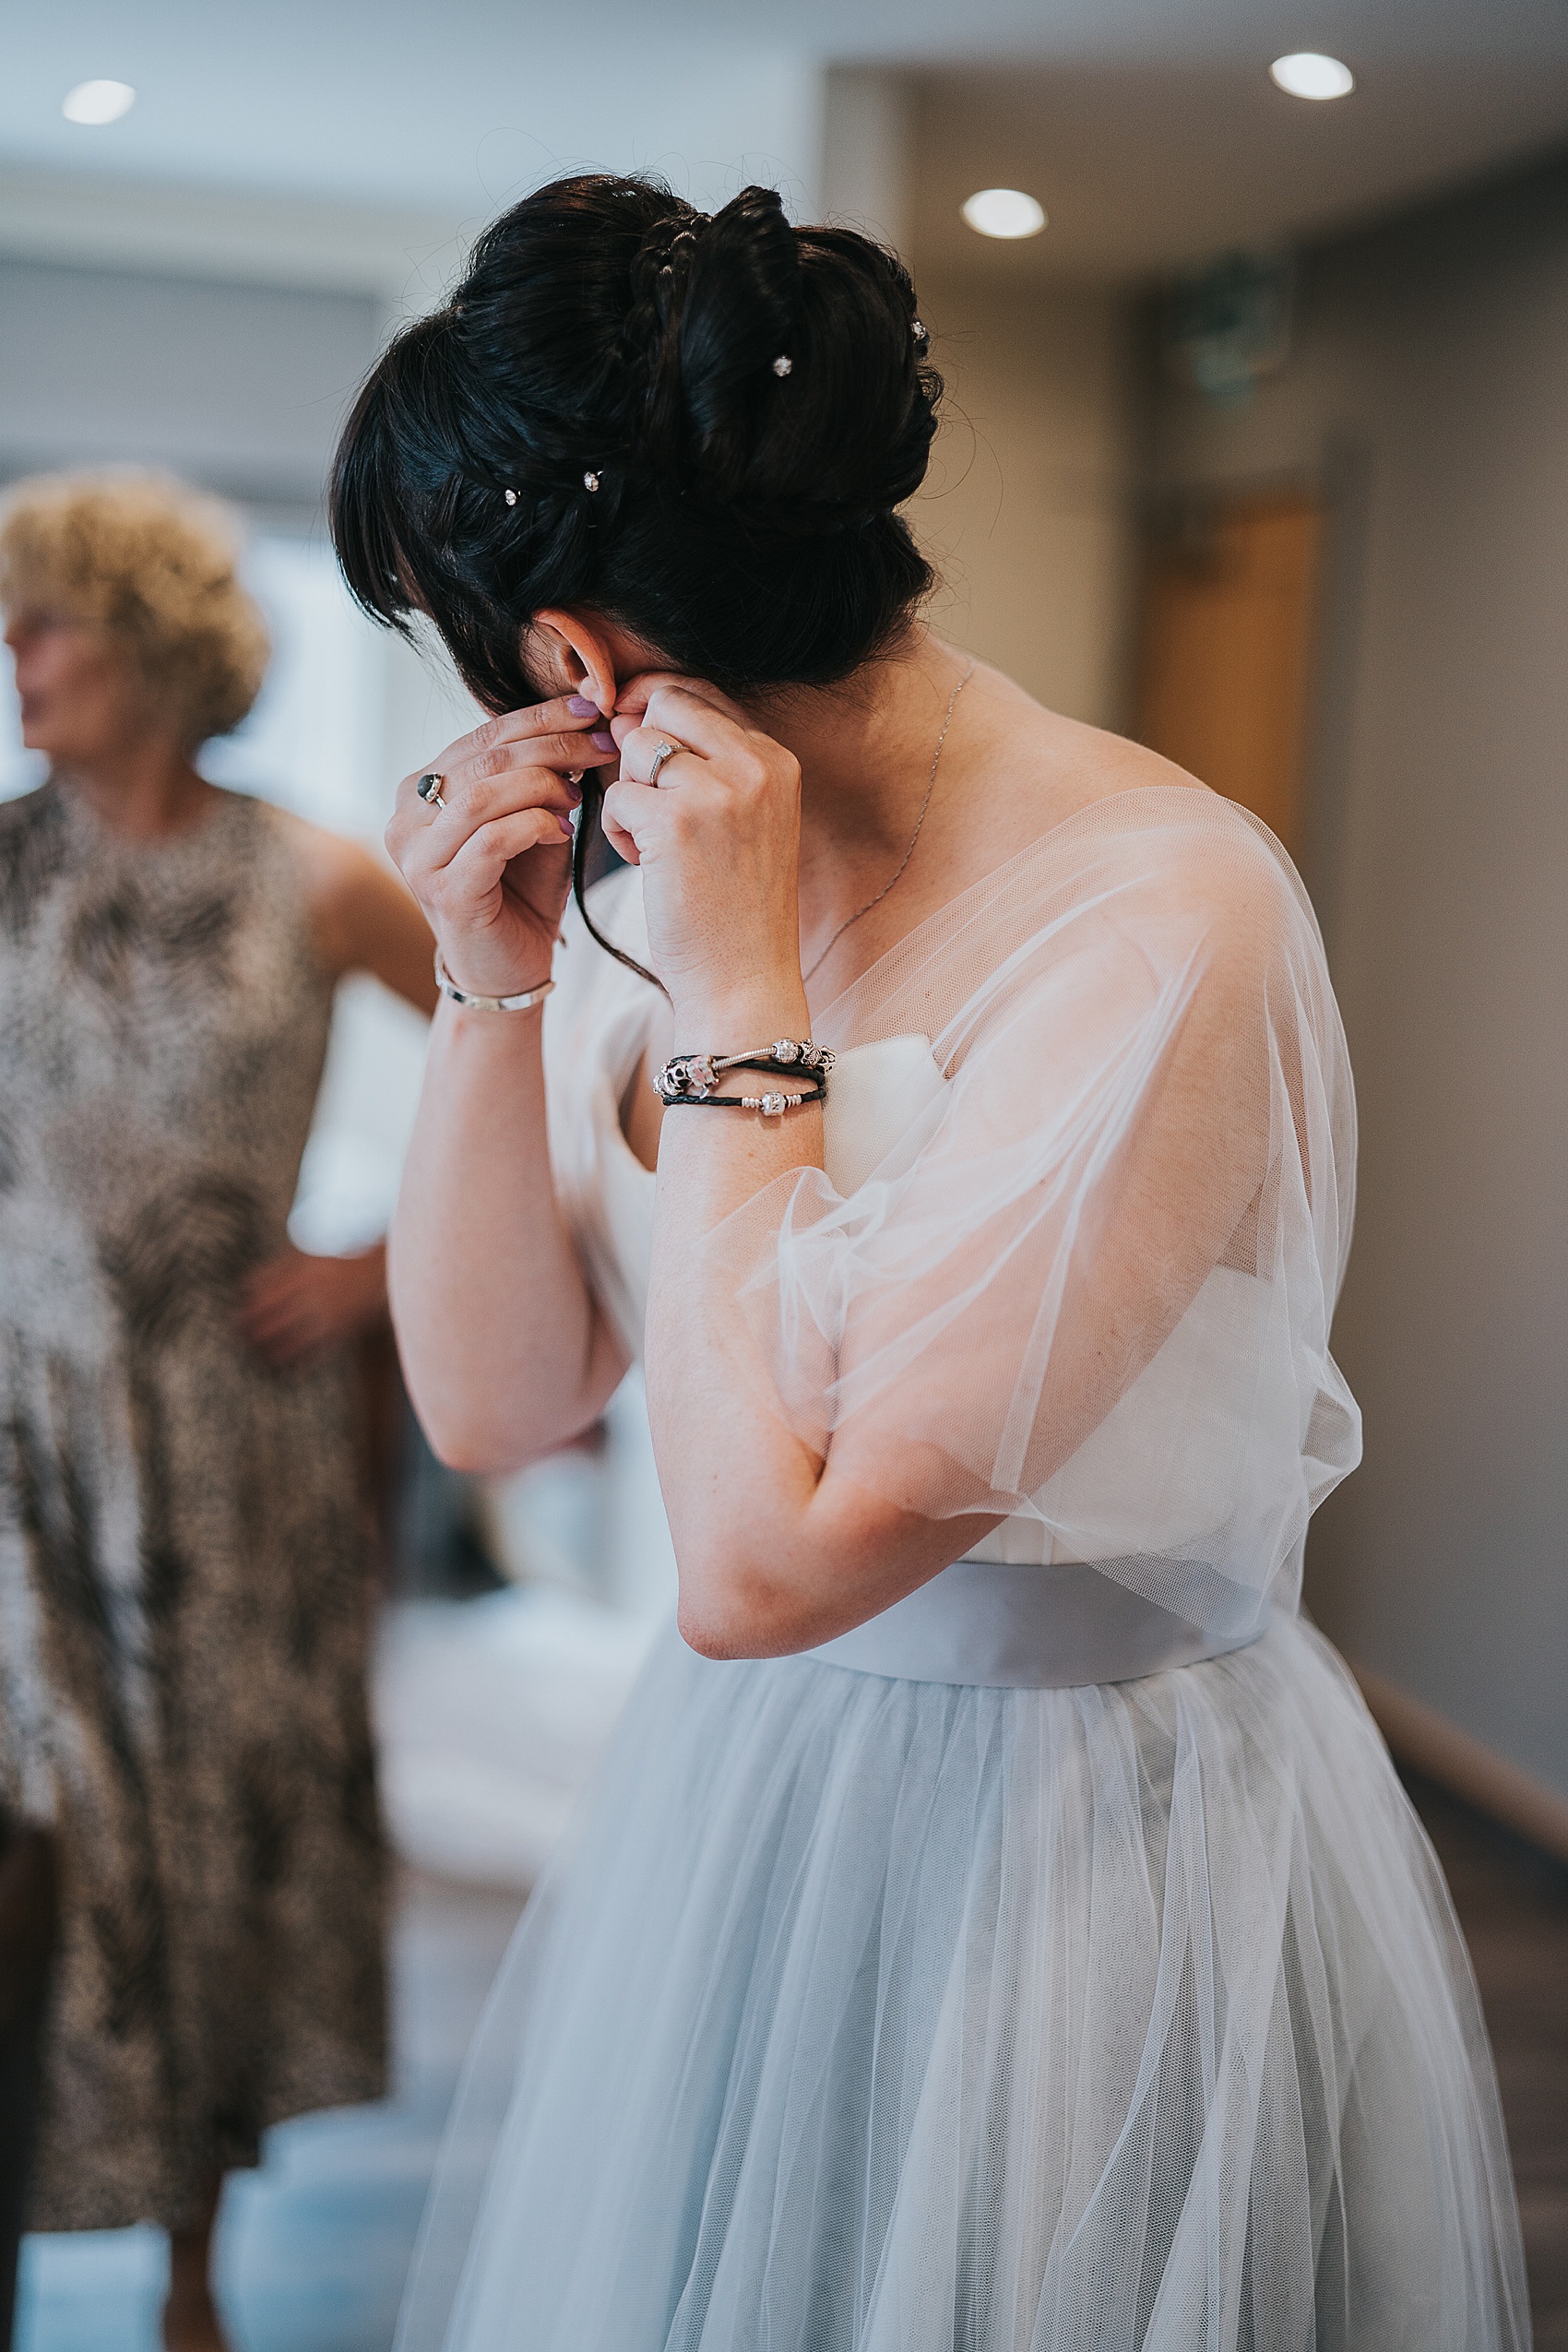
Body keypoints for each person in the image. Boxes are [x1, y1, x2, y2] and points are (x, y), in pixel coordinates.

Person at [332, 179, 1531, 2350]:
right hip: (756, 1796)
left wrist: (741, 1002)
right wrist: (484, 985)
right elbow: (500, 1407)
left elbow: (766, 1568)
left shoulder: (1156, 912)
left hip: (1074, 1851)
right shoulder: (650, 887)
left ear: (573, 659)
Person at [0, 471, 437, 2352]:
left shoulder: (324, 880)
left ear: (155, 645)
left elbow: (572, 1081)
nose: (11, 656)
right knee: (45, 1847)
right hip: (18, 1449)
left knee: (216, 1835)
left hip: (239, 1451)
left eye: (45, 621)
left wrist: (383, 1268)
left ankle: (196, 2277)